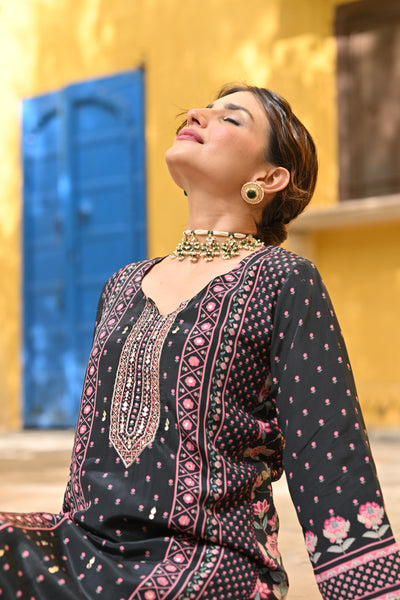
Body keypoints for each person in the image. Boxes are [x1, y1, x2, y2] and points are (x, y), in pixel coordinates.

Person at [0, 83, 399, 600]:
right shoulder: (123, 284)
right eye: (203, 110)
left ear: (269, 178)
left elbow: (328, 449)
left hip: (205, 562)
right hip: (87, 549)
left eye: (231, 118)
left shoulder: (282, 279)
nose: (195, 115)